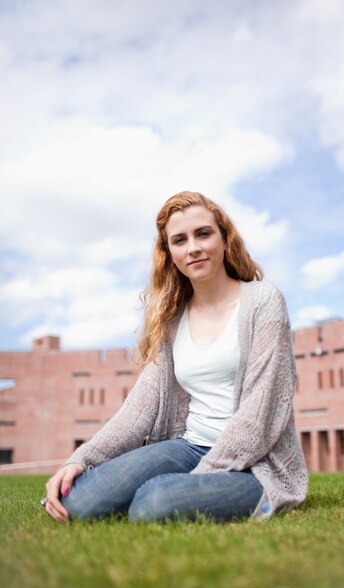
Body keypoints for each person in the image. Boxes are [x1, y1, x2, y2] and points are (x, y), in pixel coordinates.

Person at [41, 191, 308, 523]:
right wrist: (81, 459)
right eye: (179, 240)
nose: (193, 247)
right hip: (189, 447)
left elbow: (261, 414)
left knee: (153, 503)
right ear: (170, 254)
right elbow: (141, 406)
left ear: (225, 240)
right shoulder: (172, 319)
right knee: (79, 502)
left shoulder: (264, 302)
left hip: (256, 464)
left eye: (203, 234)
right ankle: (164, 491)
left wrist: (201, 479)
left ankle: (181, 494)